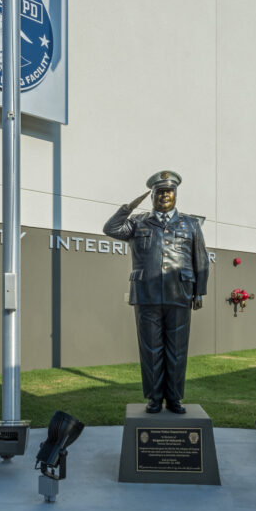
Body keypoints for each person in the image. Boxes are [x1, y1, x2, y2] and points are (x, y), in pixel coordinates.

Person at [103, 170, 209, 414]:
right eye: (159, 192)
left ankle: (174, 399)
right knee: (150, 350)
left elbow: (200, 260)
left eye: (169, 192)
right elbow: (110, 228)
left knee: (177, 350)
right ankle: (154, 398)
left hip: (180, 293)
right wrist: (127, 208)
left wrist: (199, 291)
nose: (164, 196)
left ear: (175, 195)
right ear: (151, 196)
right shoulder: (138, 222)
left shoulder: (190, 224)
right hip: (146, 294)